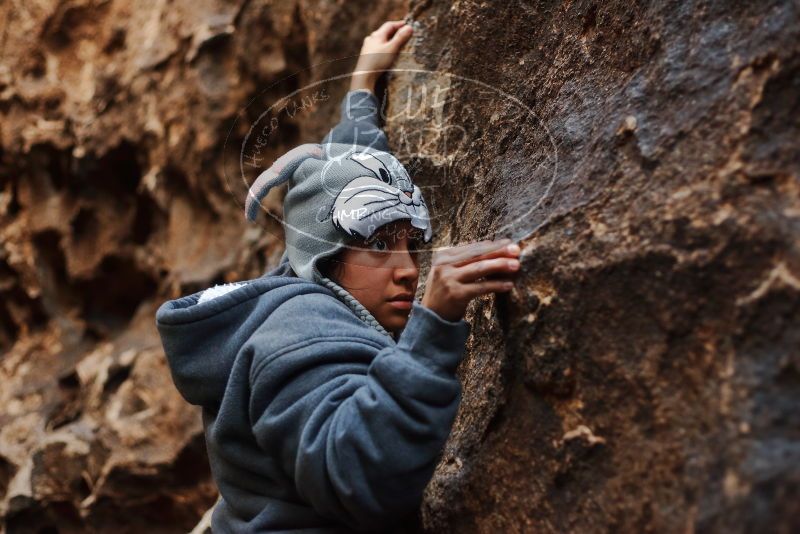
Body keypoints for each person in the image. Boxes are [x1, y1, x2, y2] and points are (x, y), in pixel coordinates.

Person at [155, 19, 521, 533]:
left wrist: (361, 88)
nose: (408, 270)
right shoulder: (300, 333)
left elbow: (346, 183)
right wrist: (432, 328)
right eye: (378, 246)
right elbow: (357, 476)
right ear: (325, 257)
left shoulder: (300, 277)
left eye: (410, 244)